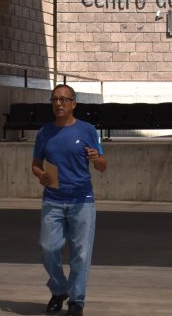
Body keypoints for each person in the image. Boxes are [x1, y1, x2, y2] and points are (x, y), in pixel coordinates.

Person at [31, 84, 107, 316]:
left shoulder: (87, 130)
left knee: (81, 253)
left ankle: (76, 300)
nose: (58, 104)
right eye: (54, 99)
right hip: (53, 200)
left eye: (64, 99)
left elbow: (103, 165)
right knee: (48, 248)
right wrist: (41, 175)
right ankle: (59, 289)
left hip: (81, 200)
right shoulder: (44, 132)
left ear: (74, 103)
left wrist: (96, 158)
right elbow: (35, 165)